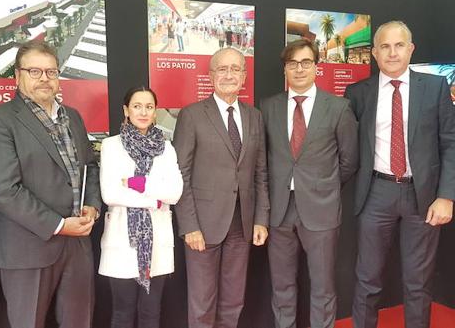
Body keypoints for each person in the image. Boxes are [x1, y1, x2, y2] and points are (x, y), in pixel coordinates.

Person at [0, 41, 100, 328]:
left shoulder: (72, 117)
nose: (45, 78)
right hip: (27, 245)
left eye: (51, 72)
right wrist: (59, 224)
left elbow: (90, 168)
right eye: (35, 71)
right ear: (17, 76)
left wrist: (92, 206)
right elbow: (4, 190)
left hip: (78, 244)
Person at [344, 21, 455, 328]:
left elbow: (450, 143)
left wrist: (446, 196)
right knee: (367, 280)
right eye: (385, 46)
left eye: (399, 45)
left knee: (418, 282)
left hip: (424, 196)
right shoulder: (356, 93)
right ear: (374, 53)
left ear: (410, 49)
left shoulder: (435, 88)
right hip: (375, 194)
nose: (392, 53)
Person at [261, 39, 358, 328]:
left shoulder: (339, 108)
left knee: (323, 287)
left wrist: (322, 187)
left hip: (322, 211)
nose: (299, 69)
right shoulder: (268, 107)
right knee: (281, 287)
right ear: (285, 70)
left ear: (317, 66)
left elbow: (349, 161)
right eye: (292, 64)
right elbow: (263, 159)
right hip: (279, 211)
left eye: (306, 63)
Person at [173, 47, 269, 328]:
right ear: (211, 75)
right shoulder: (191, 115)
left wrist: (261, 219)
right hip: (203, 225)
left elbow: (260, 172)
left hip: (243, 224)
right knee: (202, 303)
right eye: (222, 69)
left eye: (235, 69)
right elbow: (181, 173)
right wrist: (189, 225)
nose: (229, 75)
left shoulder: (255, 117)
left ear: (244, 77)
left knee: (233, 301)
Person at [98, 86, 183, 328]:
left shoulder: (166, 148)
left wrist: (137, 182)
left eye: (149, 107)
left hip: (157, 242)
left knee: (150, 312)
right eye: (137, 106)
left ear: (155, 111)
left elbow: (175, 192)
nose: (143, 112)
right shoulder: (111, 145)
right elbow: (110, 193)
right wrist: (155, 199)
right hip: (122, 240)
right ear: (126, 110)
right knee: (122, 312)